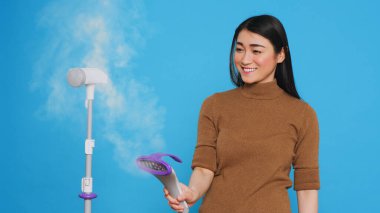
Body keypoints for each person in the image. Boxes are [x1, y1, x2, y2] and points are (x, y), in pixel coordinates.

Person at [164, 14, 320, 213]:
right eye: (239, 49)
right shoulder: (214, 105)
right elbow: (204, 168)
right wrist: (192, 193)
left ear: (280, 54)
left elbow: (307, 187)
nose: (245, 59)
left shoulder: (303, 114)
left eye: (256, 50)